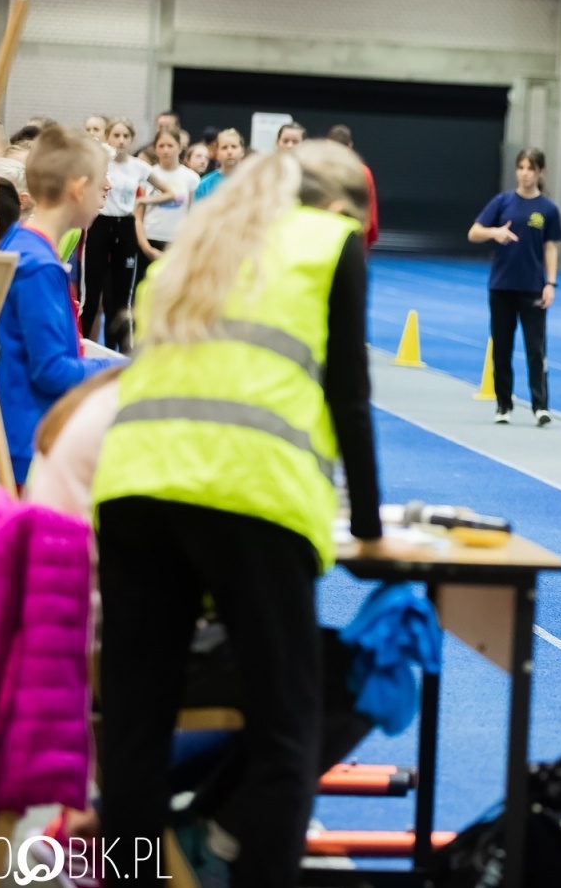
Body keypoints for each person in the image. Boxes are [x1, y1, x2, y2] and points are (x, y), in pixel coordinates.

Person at [91, 139, 381, 888]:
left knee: (134, 728)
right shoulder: (330, 244)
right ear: (338, 204)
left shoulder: (189, 255)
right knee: (285, 723)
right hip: (250, 493)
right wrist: (373, 527)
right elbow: (349, 395)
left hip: (133, 488)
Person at [0, 126, 122, 495]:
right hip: (26, 439)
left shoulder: (24, 246)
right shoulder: (38, 265)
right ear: (78, 187)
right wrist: (124, 368)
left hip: (18, 430)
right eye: (102, 181)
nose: (107, 190)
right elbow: (52, 371)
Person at [468, 149, 561, 425]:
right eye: (520, 167)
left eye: (530, 168)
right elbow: (473, 232)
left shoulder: (547, 209)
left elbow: (550, 247)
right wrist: (494, 232)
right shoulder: (502, 202)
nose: (524, 173)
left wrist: (551, 283)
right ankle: (503, 404)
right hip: (502, 287)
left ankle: (540, 405)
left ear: (540, 173)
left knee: (536, 348)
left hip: (532, 287)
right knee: (502, 347)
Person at [81, 118, 177, 353]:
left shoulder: (139, 167)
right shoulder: (101, 164)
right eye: (116, 135)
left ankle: (119, 350)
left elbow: (170, 192)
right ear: (107, 137)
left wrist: (143, 200)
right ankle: (80, 345)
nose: (121, 141)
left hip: (125, 225)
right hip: (100, 224)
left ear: (132, 139)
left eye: (126, 136)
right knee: (92, 293)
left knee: (122, 295)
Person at [135, 128, 200, 289]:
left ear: (180, 147)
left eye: (170, 145)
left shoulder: (191, 178)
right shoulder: (146, 175)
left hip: (176, 241)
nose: (166, 150)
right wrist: (146, 248)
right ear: (155, 148)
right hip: (150, 238)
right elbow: (138, 217)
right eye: (161, 145)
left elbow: (193, 215)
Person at [327, 125, 379, 249]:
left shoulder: (320, 170)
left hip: (326, 237)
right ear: (350, 146)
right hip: (354, 238)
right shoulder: (363, 172)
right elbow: (370, 211)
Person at [193, 127, 244, 201]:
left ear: (242, 151)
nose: (229, 152)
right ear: (217, 153)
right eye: (224, 148)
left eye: (234, 147)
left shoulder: (253, 181)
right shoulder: (204, 185)